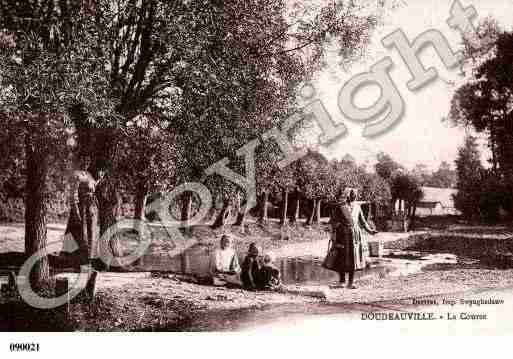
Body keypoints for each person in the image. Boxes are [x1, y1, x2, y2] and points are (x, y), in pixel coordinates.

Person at [328, 188, 377, 289]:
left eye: (355, 195)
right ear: (347, 196)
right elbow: (332, 222)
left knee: (353, 258)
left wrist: (370, 231)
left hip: (355, 236)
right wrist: (333, 233)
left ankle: (350, 283)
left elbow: (363, 222)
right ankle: (341, 282)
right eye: (351, 195)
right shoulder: (340, 207)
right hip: (342, 235)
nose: (353, 196)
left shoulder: (358, 207)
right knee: (341, 257)